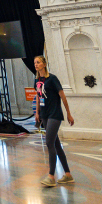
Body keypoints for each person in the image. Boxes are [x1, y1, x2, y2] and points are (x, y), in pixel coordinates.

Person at [34, 56, 74, 187]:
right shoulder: (37, 80)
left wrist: (68, 113)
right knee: (56, 145)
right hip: (45, 114)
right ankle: (68, 175)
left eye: (38, 62)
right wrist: (37, 112)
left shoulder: (52, 79)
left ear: (44, 64)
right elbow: (39, 97)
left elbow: (62, 96)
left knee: (49, 142)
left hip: (55, 114)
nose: (36, 64)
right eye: (35, 63)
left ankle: (51, 176)